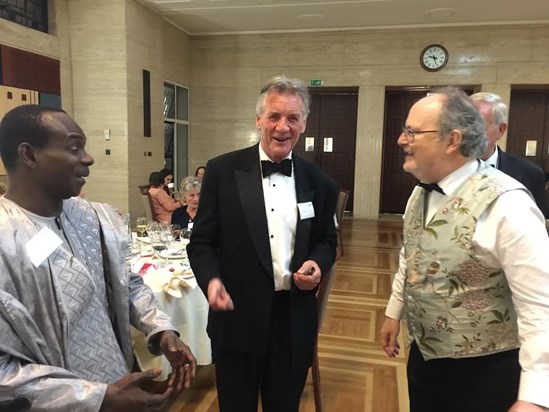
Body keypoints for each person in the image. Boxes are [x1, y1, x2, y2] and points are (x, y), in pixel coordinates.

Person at [0, 105, 197, 411]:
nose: (88, 158)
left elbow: (126, 282)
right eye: (74, 147)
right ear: (29, 155)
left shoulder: (91, 218)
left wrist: (161, 329)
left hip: (118, 384)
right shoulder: (5, 238)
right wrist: (95, 398)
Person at [379, 87, 549, 412]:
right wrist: (394, 310)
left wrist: (536, 397)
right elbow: (411, 256)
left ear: (452, 140)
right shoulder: (419, 193)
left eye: (412, 132)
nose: (402, 140)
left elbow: (541, 306)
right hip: (426, 360)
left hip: (486, 372)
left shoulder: (507, 203)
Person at [187, 75, 339, 412]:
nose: (283, 126)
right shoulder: (222, 171)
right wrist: (211, 280)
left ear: (304, 124)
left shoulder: (320, 182)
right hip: (237, 318)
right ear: (258, 120)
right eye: (274, 116)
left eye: (293, 118)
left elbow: (328, 241)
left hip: (292, 321)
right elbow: (201, 243)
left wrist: (317, 263)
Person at [471, 92, 548, 217]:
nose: (467, 133)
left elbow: (536, 224)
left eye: (478, 126)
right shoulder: (442, 169)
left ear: (500, 130)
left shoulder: (530, 174)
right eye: (462, 125)